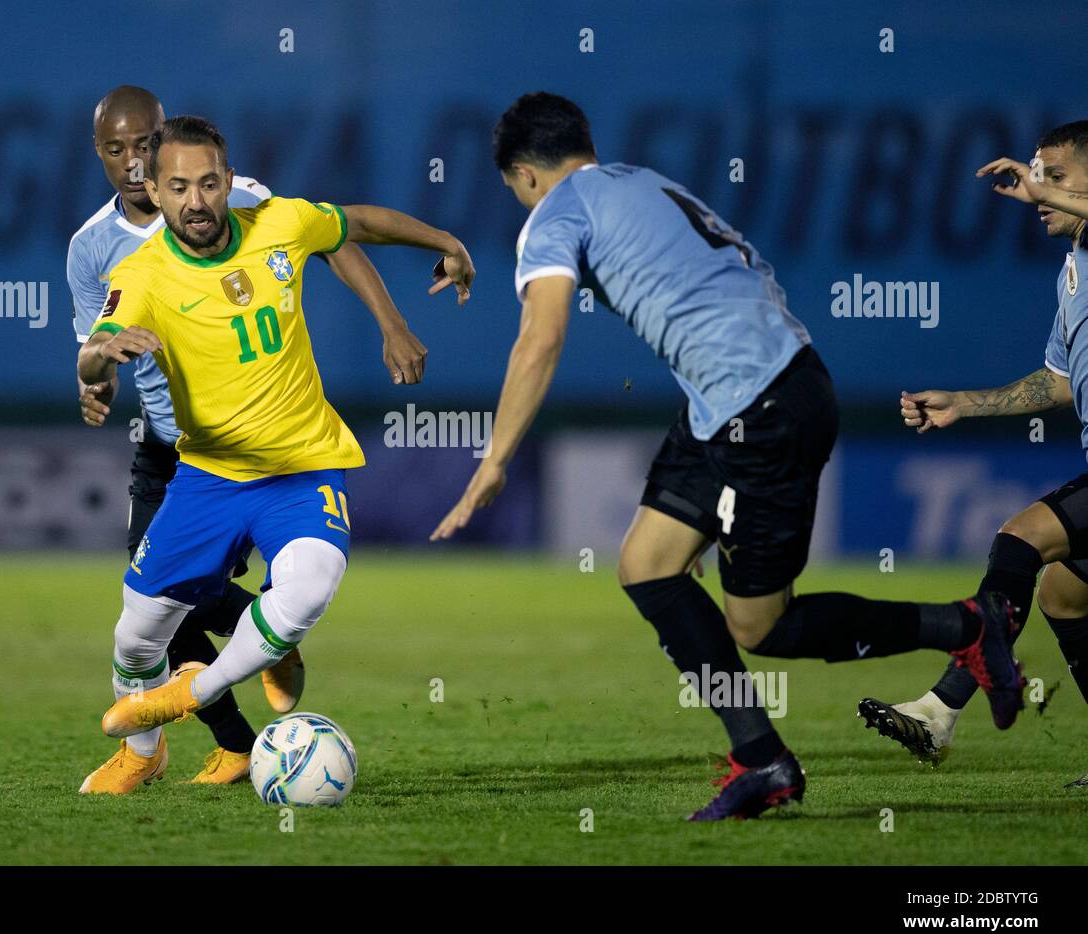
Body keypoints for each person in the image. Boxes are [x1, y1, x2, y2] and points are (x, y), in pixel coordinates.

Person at [430, 92, 1022, 820]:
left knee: (761, 627)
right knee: (647, 565)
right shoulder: (644, 182)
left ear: (522, 174)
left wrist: (494, 460)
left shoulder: (554, 214)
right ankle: (760, 756)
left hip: (760, 408)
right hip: (743, 400)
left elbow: (540, 338)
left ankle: (968, 626)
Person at [76, 116, 475, 786]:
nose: (196, 201)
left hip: (302, 468)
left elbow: (357, 224)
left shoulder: (279, 223)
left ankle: (192, 693)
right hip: (209, 479)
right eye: (179, 187)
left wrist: (447, 242)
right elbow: (95, 349)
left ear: (228, 182)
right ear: (158, 189)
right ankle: (144, 755)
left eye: (208, 184)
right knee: (134, 638)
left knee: (309, 588)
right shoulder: (140, 274)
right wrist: (99, 361)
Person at [860, 123, 1088, 789]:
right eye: (1039, 176)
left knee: (1018, 541)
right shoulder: (1074, 271)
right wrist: (965, 402)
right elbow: (1058, 382)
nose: (1040, 190)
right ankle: (938, 711)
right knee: (1067, 596)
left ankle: (939, 710)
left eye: (1057, 176)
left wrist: (1037, 183)